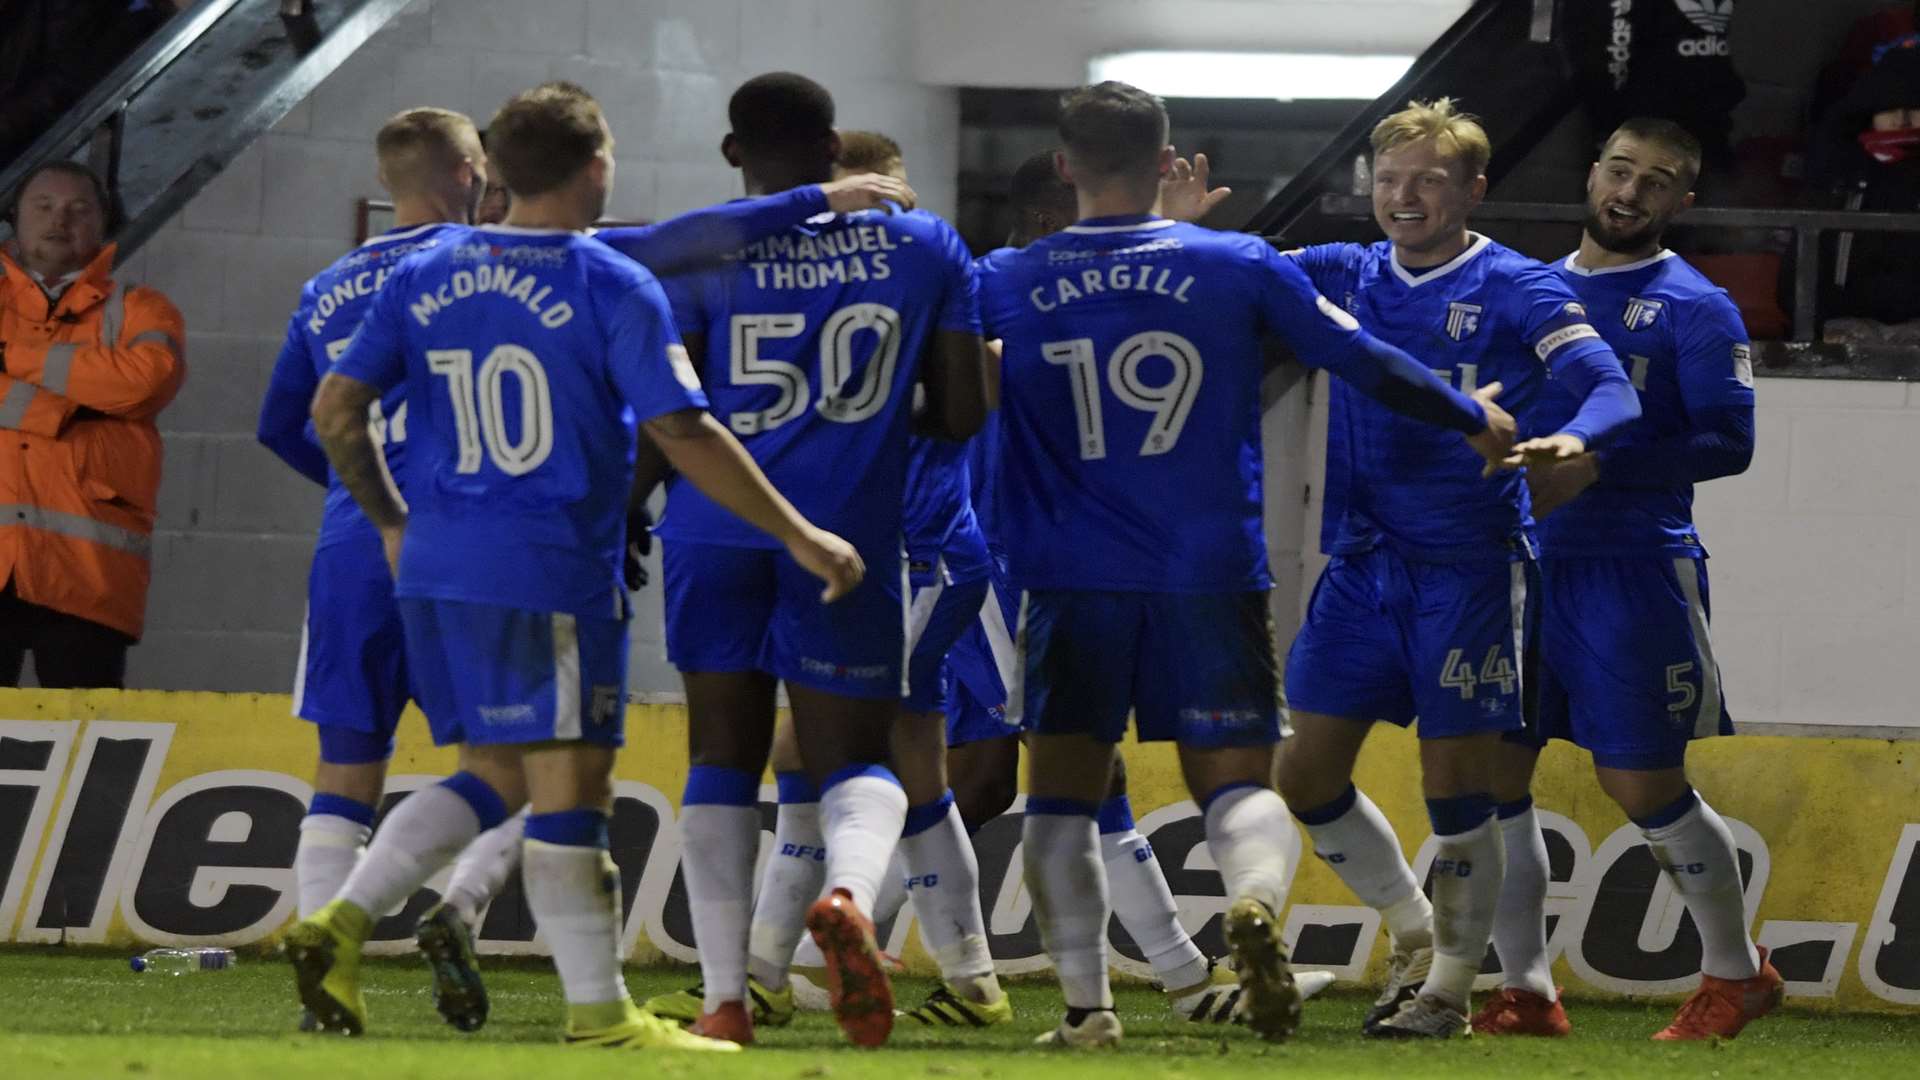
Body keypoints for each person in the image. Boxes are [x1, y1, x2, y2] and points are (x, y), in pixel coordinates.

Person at [256, 102, 914, 1035]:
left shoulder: (423, 272)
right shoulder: (611, 281)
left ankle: (342, 916)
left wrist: (389, 519)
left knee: (495, 773)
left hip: (437, 568)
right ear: (597, 169)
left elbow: (331, 408)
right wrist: (801, 533)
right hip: (549, 566)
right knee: (574, 794)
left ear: (501, 173)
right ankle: (601, 1016)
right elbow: (684, 431)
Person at [979, 81, 1519, 1049]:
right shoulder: (1238, 264)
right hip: (1210, 571)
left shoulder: (1005, 280)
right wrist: (1469, 412)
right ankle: (1257, 908)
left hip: (1068, 572)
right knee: (1238, 785)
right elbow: (1364, 359)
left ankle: (1086, 1012)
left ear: (1064, 169)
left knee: (1062, 797)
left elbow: (946, 395)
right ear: (1164, 161)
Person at [1272, 97, 1641, 1040]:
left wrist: (1568, 439)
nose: (1404, 196)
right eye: (1389, 179)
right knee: (1303, 776)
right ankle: (1412, 932)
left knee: (1458, 790)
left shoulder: (1520, 288)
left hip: (1468, 569)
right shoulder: (1341, 271)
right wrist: (1179, 233)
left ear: (1474, 190)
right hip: (1359, 566)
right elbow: (1229, 284)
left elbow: (1609, 388)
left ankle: (1447, 991)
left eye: (1429, 180)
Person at [640, 73, 988, 1049]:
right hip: (845, 536)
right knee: (855, 757)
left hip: (712, 532)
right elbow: (963, 413)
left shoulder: (700, 250)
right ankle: (845, 895)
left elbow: (668, 414)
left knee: (721, 756)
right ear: (837, 149)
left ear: (731, 152)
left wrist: (626, 514)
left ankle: (723, 1003)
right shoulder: (924, 247)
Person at [1469, 117, 1780, 1042]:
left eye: (1658, 180)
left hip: (1633, 567)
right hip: (1515, 568)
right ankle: (1525, 990)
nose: (1630, 192)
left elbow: (1731, 442)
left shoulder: (1697, 305)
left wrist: (1600, 467)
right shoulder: (1523, 290)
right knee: (1491, 779)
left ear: (1683, 201)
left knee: (1641, 786)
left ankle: (1736, 973)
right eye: (1619, 169)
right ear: (1592, 173)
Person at [1, 159, 185, 687]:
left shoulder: (144, 309)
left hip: (89, 578)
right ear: (16, 216)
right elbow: (115, 386)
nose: (61, 219)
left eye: (79, 208)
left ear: (102, 223)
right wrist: (64, 406)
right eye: (44, 206)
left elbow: (144, 384)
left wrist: (11, 355)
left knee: (87, 757)